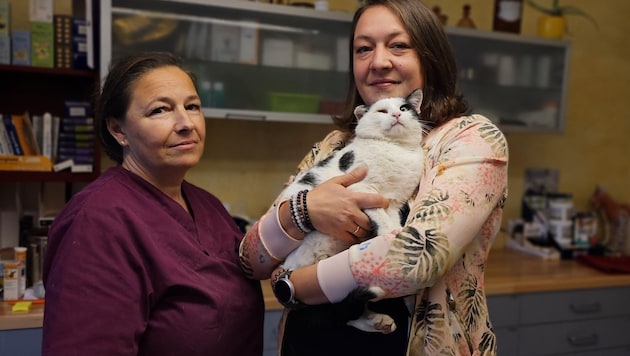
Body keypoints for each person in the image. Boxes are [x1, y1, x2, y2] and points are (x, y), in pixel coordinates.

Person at [239, 0, 508, 355]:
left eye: (398, 45)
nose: (378, 61)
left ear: (429, 56)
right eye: (363, 49)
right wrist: (302, 211)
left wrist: (295, 284)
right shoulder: (335, 146)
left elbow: (417, 258)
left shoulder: (470, 139)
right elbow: (251, 258)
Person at [42, 52, 264, 355]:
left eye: (192, 106)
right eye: (161, 110)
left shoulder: (208, 206)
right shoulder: (98, 221)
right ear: (119, 130)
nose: (186, 123)